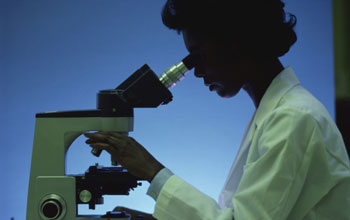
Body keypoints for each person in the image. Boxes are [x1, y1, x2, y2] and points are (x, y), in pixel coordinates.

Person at [84, 0, 350, 219]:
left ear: (239, 40)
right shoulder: (276, 113)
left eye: (199, 55)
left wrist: (152, 170)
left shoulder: (293, 118)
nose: (196, 71)